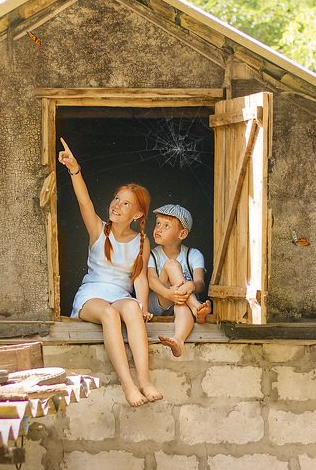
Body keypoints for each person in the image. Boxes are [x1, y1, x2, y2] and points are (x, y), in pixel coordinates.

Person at [58, 138, 162, 407]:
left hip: (119, 296)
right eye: (116, 199)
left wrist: (142, 305)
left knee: (131, 308)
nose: (116, 205)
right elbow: (84, 202)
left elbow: (139, 277)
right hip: (92, 297)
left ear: (137, 214)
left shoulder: (141, 242)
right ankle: (129, 386)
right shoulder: (98, 230)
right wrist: (74, 170)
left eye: (126, 204)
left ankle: (144, 381)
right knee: (110, 314)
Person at [147, 204, 211, 358]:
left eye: (166, 226)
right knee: (171, 264)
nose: (159, 228)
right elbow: (151, 280)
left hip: (181, 301)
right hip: (159, 301)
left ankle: (178, 340)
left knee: (181, 305)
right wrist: (168, 293)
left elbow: (200, 284)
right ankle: (197, 308)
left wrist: (191, 285)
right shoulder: (151, 255)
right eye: (158, 223)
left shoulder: (193, 254)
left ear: (182, 234)